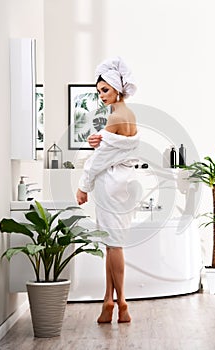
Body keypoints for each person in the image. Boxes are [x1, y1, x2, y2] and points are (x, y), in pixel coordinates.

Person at [76, 57, 139, 323]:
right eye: (99, 91)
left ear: (116, 88)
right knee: (112, 245)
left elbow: (99, 161)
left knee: (114, 245)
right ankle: (108, 300)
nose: (101, 95)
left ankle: (122, 302)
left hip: (109, 185)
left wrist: (82, 187)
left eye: (105, 90)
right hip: (121, 184)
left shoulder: (115, 117)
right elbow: (112, 150)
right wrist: (98, 142)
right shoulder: (127, 114)